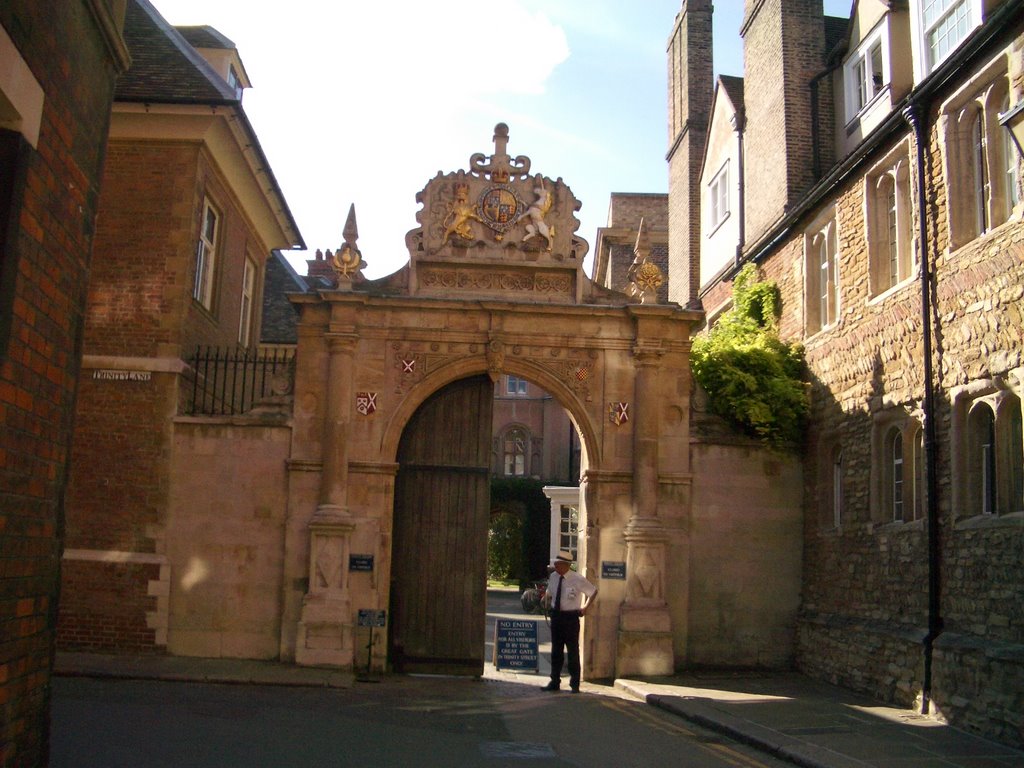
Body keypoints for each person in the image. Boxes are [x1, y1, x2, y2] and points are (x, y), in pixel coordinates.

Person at [541, 551, 597, 693]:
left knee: (572, 651)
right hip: (556, 616)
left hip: (571, 618)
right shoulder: (553, 577)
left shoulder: (577, 579)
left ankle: (575, 683)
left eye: (558, 564)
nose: (555, 566)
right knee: (556, 651)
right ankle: (554, 681)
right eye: (555, 564)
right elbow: (550, 592)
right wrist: (545, 599)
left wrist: (585, 607)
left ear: (566, 565)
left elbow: (593, 591)